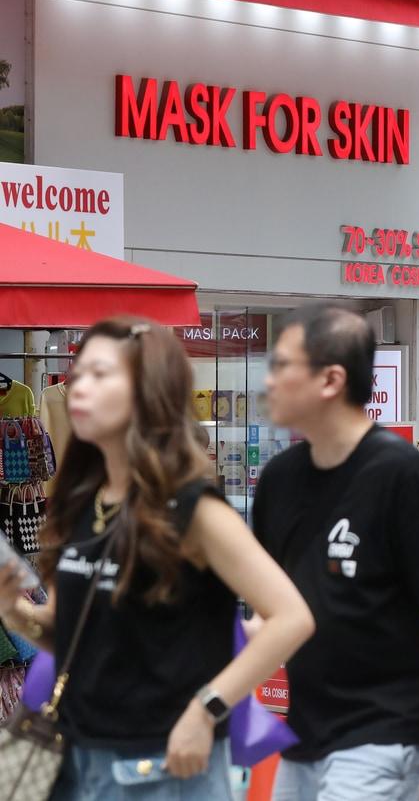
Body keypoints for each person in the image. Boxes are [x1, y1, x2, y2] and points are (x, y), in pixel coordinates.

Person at [0, 317, 314, 800]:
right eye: (79, 373)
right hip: (76, 759)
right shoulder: (83, 503)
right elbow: (67, 635)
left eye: (101, 374)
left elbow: (291, 618)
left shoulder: (191, 509)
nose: (80, 387)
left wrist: (207, 709)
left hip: (161, 767)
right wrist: (12, 610)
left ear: (148, 392)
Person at [254, 307, 419, 801]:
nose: (269, 380)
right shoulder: (278, 481)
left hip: (388, 734)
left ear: (331, 379)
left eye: (283, 365)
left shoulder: (400, 474)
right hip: (305, 736)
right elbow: (272, 617)